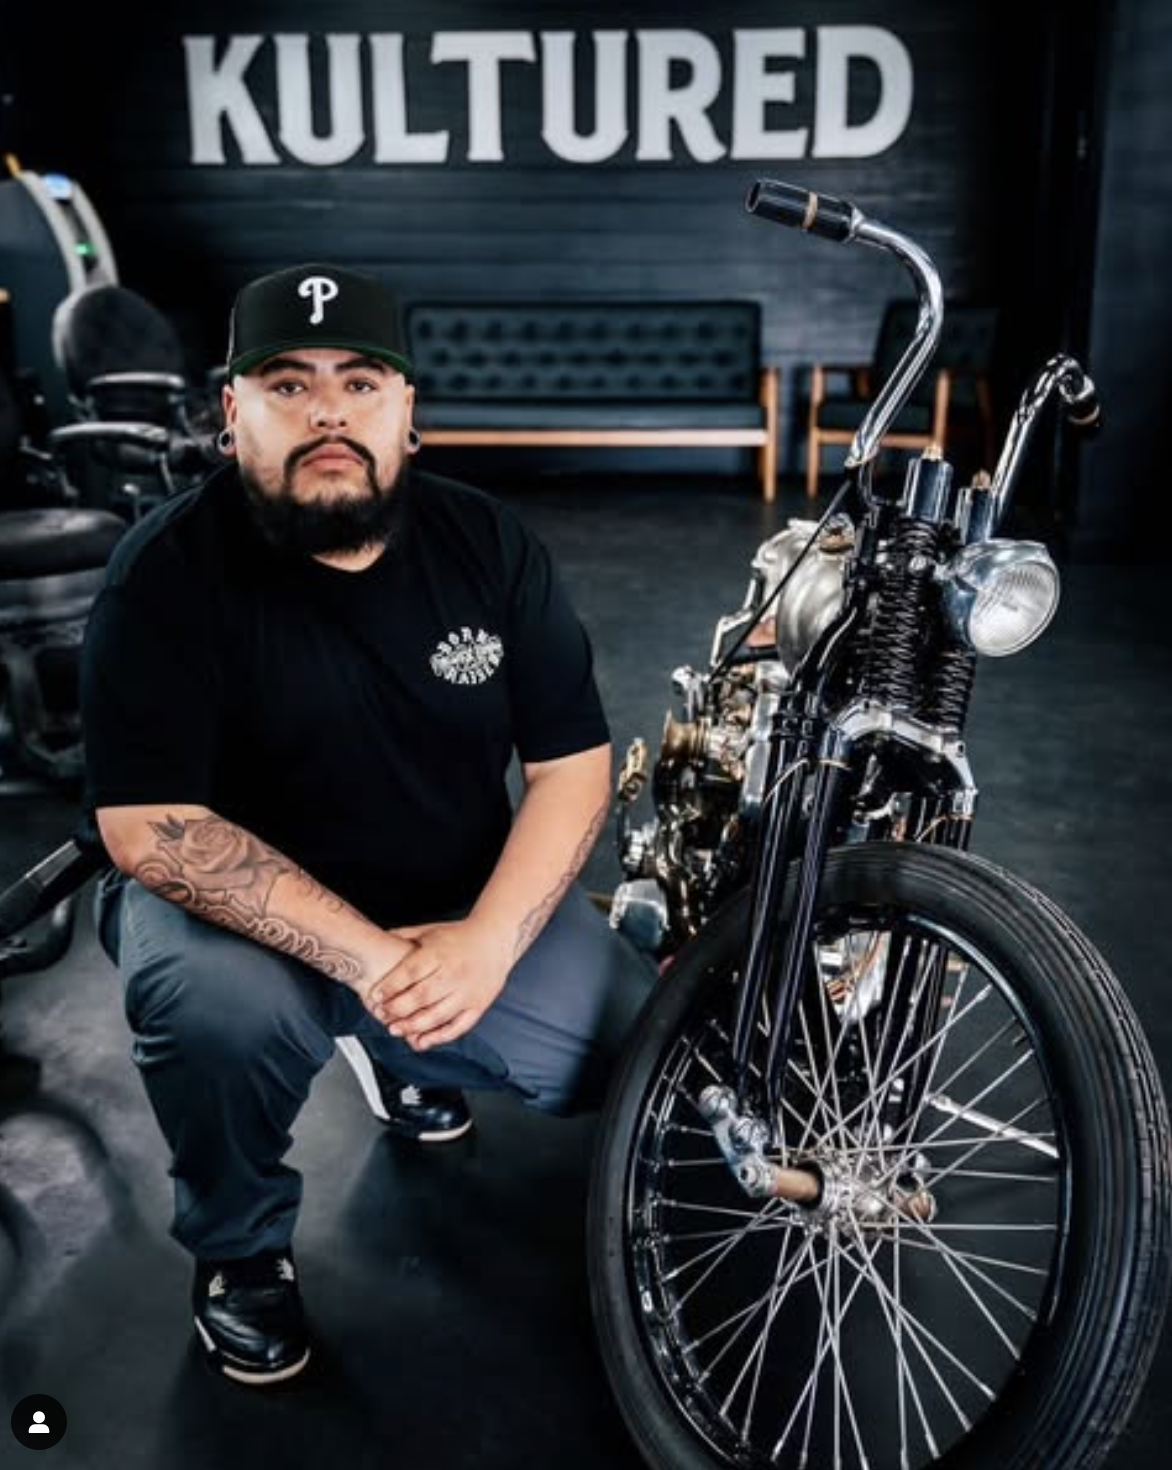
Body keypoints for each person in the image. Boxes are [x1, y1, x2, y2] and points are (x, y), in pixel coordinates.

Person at [80, 262, 654, 1387]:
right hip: (235, 934)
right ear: (230, 413)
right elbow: (152, 827)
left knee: (633, 1043)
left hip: (450, 905)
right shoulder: (163, 576)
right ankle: (239, 1251)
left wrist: (483, 946)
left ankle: (406, 1057)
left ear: (408, 414)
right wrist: (386, 965)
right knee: (219, 1015)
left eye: (360, 381)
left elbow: (572, 767)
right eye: (287, 384)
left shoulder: (489, 549)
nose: (328, 410)